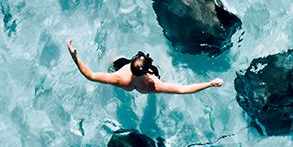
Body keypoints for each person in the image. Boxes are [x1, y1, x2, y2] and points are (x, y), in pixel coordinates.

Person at [66, 39, 223, 95]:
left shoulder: (119, 77)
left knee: (114, 59)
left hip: (126, 79)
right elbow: (183, 89)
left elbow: (90, 75)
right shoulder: (153, 84)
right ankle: (166, 60)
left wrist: (75, 57)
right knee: (163, 66)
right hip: (143, 86)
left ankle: (112, 57)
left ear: (131, 63)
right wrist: (209, 84)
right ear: (148, 68)